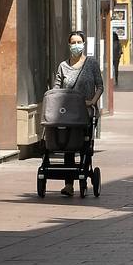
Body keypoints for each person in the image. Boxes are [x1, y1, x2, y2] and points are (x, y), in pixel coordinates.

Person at [51, 30, 104, 196]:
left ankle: (83, 178)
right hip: (67, 114)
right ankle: (68, 184)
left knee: (84, 146)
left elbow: (100, 86)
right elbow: (56, 89)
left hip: (86, 112)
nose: (76, 45)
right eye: (73, 43)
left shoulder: (92, 63)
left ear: (83, 44)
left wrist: (93, 101)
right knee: (68, 146)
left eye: (78, 42)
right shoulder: (63, 66)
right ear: (69, 45)